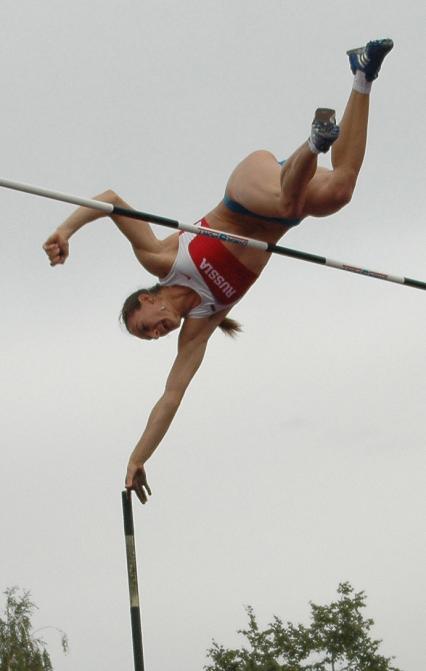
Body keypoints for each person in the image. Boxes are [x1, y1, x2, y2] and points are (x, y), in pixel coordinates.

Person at [43, 39, 393, 504]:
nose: (157, 334)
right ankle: (362, 74)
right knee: (342, 188)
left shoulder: (162, 261)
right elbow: (170, 398)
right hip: (284, 211)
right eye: (150, 338)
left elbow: (109, 200)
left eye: (147, 326)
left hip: (251, 185)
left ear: (148, 298)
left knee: (291, 198)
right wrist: (138, 456)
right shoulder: (201, 324)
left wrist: (65, 230)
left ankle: (314, 141)